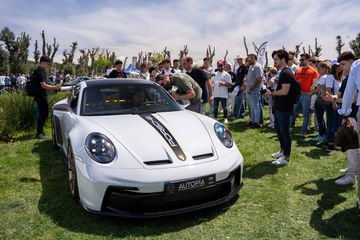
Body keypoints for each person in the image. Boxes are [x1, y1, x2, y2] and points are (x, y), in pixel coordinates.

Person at [265, 49, 295, 166]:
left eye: (276, 59)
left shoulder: (286, 72)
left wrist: (271, 93)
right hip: (279, 106)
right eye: (274, 59)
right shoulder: (281, 72)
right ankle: (282, 151)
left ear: (283, 59)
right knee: (279, 130)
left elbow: (284, 91)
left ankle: (286, 157)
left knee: (285, 132)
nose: (275, 62)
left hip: (284, 107)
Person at [336, 52, 360, 191]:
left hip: (353, 114)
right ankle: (352, 170)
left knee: (353, 146)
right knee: (351, 146)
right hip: (350, 114)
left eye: (344, 64)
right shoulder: (348, 77)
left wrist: (343, 111)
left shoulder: (356, 69)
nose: (341, 67)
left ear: (352, 61)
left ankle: (352, 174)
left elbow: (353, 98)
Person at [31, 56, 61, 139]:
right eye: (48, 64)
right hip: (41, 96)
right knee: (44, 114)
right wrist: (55, 87)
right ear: (43, 62)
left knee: (42, 114)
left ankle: (40, 131)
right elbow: (43, 85)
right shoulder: (40, 72)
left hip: (39, 95)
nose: (48, 66)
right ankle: (39, 133)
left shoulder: (38, 70)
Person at [292, 53, 319, 136]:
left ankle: (303, 132)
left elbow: (314, 85)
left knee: (305, 114)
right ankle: (289, 127)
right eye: (300, 60)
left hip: (307, 95)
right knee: (293, 112)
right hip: (298, 94)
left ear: (308, 60)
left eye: (302, 59)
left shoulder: (313, 71)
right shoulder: (297, 70)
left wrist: (310, 94)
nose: (301, 61)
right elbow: (294, 82)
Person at [246, 53, 264, 128]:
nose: (248, 60)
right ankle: (252, 121)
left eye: (250, 58)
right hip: (250, 90)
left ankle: (257, 122)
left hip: (254, 90)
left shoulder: (257, 66)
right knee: (252, 107)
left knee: (256, 107)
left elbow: (259, 79)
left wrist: (251, 88)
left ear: (254, 58)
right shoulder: (251, 67)